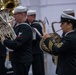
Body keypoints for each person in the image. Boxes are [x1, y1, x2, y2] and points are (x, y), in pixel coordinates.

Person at [0, 5, 33, 75]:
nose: (13, 17)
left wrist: (3, 41)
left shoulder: (25, 28)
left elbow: (16, 43)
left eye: (15, 14)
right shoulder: (17, 26)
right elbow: (11, 39)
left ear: (21, 14)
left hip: (22, 59)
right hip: (16, 59)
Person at [26, 10, 45, 75]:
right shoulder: (32, 25)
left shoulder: (36, 25)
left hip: (37, 51)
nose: (27, 18)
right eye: (27, 16)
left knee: (38, 70)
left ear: (33, 16)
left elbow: (34, 38)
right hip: (34, 52)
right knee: (36, 70)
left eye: (28, 16)